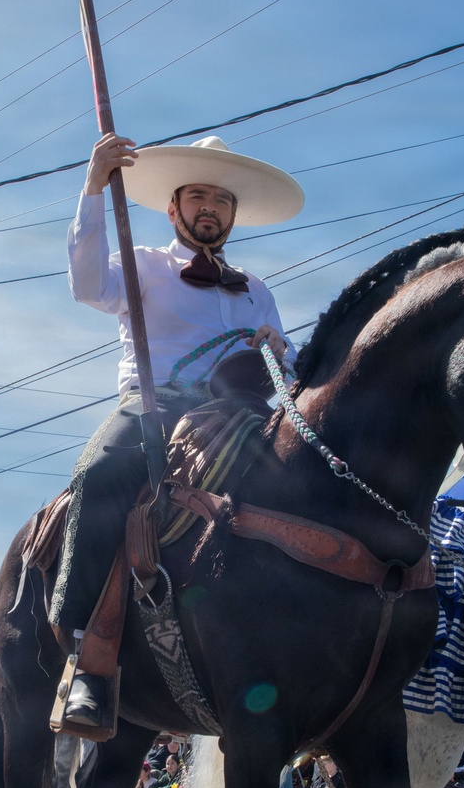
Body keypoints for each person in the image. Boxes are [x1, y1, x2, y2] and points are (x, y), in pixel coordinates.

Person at [50, 131, 304, 730]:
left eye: (221, 198)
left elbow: (286, 365)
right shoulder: (144, 266)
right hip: (156, 408)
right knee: (102, 471)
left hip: (242, 413)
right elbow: (86, 285)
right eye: (197, 196)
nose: (209, 207)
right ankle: (90, 658)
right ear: (174, 207)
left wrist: (278, 349)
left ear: (234, 213)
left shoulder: (257, 290)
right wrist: (92, 186)